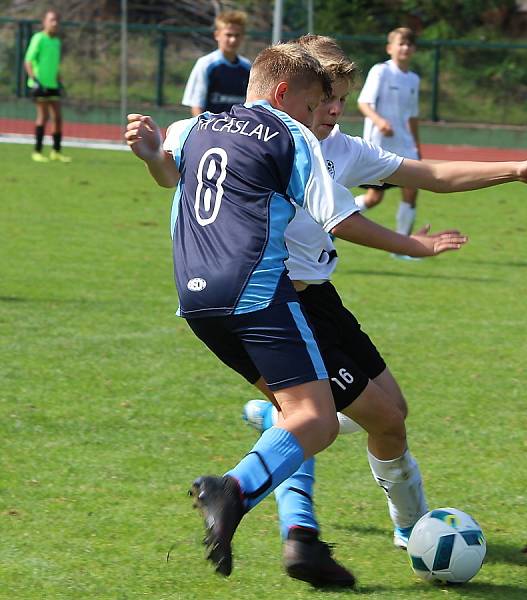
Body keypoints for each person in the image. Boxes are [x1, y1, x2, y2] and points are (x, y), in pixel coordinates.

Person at [125, 42, 467, 580]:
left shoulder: (198, 127)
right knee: (314, 419)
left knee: (305, 416)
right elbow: (337, 217)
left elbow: (169, 173)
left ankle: (301, 539)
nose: (318, 117)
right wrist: (413, 246)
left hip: (196, 303)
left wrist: (149, 155)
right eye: (314, 106)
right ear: (285, 94)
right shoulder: (293, 137)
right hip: (259, 291)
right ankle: (232, 488)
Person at [239, 35, 527, 588]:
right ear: (301, 97)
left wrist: (513, 168)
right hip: (283, 304)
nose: (333, 111)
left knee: (395, 415)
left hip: (323, 297)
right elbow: (339, 222)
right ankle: (411, 531)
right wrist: (414, 246)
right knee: (373, 418)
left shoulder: (346, 149)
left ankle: (408, 526)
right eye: (326, 99)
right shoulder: (272, 145)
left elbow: (431, 174)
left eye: (341, 99)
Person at [356, 27, 422, 253]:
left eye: (409, 43)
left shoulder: (413, 79)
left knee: (412, 188)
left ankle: (402, 246)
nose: (405, 47)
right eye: (401, 43)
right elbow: (364, 103)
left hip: (404, 145)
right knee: (374, 198)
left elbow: (412, 116)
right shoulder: (380, 71)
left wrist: (417, 145)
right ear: (390, 48)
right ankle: (330, 220)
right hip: (379, 145)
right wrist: (380, 121)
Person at [182, 10, 251, 116]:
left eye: (237, 35)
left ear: (242, 37)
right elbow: (197, 106)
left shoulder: (247, 67)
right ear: (217, 35)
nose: (233, 40)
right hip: (211, 129)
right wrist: (204, 131)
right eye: (228, 35)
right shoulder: (205, 64)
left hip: (238, 130)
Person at [24, 9, 70, 163]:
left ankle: (56, 151)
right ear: (44, 22)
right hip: (39, 84)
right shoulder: (39, 38)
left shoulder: (57, 41)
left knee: (58, 117)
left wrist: (59, 81)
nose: (55, 23)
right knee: (43, 116)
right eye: (51, 20)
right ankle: (37, 151)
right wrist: (34, 80)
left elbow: (55, 65)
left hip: (52, 84)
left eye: (57, 20)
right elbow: (28, 61)